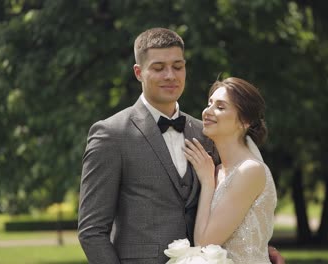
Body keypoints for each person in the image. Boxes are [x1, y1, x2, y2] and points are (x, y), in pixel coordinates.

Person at [78, 27, 284, 264]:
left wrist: (259, 248)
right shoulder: (111, 135)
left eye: (178, 66)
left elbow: (230, 203)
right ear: (138, 72)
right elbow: (91, 231)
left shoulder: (206, 133)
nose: (170, 76)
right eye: (158, 68)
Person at [184, 77, 278, 263]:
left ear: (245, 121)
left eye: (220, 107)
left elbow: (204, 243)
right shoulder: (217, 169)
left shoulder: (250, 171)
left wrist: (208, 182)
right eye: (209, 103)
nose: (207, 111)